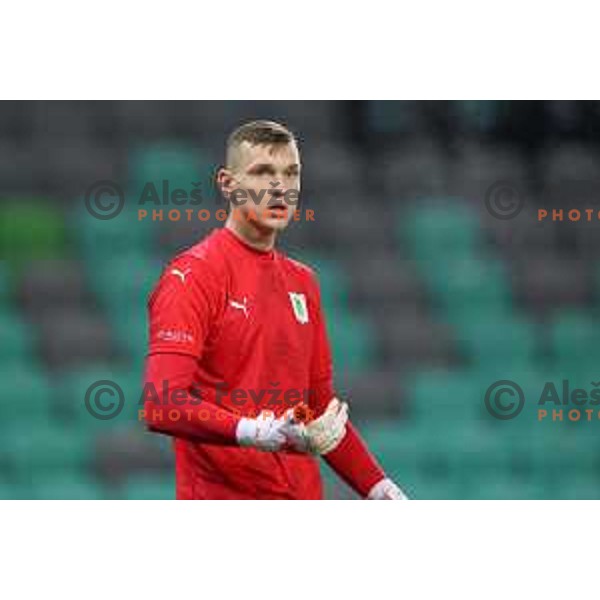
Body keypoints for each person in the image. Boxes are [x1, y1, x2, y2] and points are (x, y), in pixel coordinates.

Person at [143, 119, 407, 500]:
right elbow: (161, 403)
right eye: (263, 172)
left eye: (291, 173)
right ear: (227, 184)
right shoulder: (193, 275)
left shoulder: (304, 282)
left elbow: (319, 409)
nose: (280, 187)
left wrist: (378, 487)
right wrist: (253, 432)